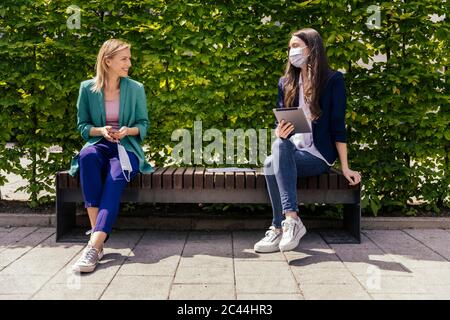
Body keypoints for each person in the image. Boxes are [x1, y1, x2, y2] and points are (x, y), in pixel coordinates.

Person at [254, 28, 361, 253]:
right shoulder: (286, 83)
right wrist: (279, 131)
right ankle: (289, 221)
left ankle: (279, 225)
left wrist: (345, 167)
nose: (291, 52)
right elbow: (281, 123)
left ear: (311, 48)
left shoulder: (333, 80)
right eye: (289, 47)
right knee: (277, 148)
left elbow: (338, 126)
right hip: (292, 150)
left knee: (270, 163)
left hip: (318, 155)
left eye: (295, 46)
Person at [68, 39, 153, 272]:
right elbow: (83, 126)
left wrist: (128, 130)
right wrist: (101, 130)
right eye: (124, 58)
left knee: (116, 177)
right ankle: (98, 241)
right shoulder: (87, 88)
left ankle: (93, 246)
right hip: (99, 143)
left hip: (126, 148)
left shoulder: (136, 88)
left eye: (129, 58)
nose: (129, 62)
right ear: (108, 61)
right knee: (87, 158)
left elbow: (143, 124)